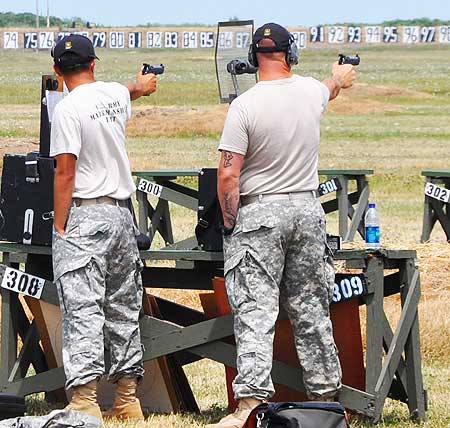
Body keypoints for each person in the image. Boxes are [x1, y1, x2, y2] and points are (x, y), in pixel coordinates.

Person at [208, 23, 356, 428]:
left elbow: (228, 174)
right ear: (291, 55)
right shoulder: (310, 91)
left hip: (260, 213)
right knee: (312, 310)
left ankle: (249, 406)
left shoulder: (245, 105)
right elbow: (331, 85)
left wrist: (229, 220)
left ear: (254, 57)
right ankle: (327, 402)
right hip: (307, 211)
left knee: (256, 311)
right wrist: (340, 75)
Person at [50, 34, 157, 421]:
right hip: (120, 217)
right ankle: (128, 400)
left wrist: (60, 226)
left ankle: (84, 402)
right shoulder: (113, 94)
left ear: (57, 71)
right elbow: (129, 90)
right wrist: (142, 84)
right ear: (93, 64)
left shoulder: (65, 110)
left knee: (82, 312)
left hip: (84, 214)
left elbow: (65, 172)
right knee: (123, 309)